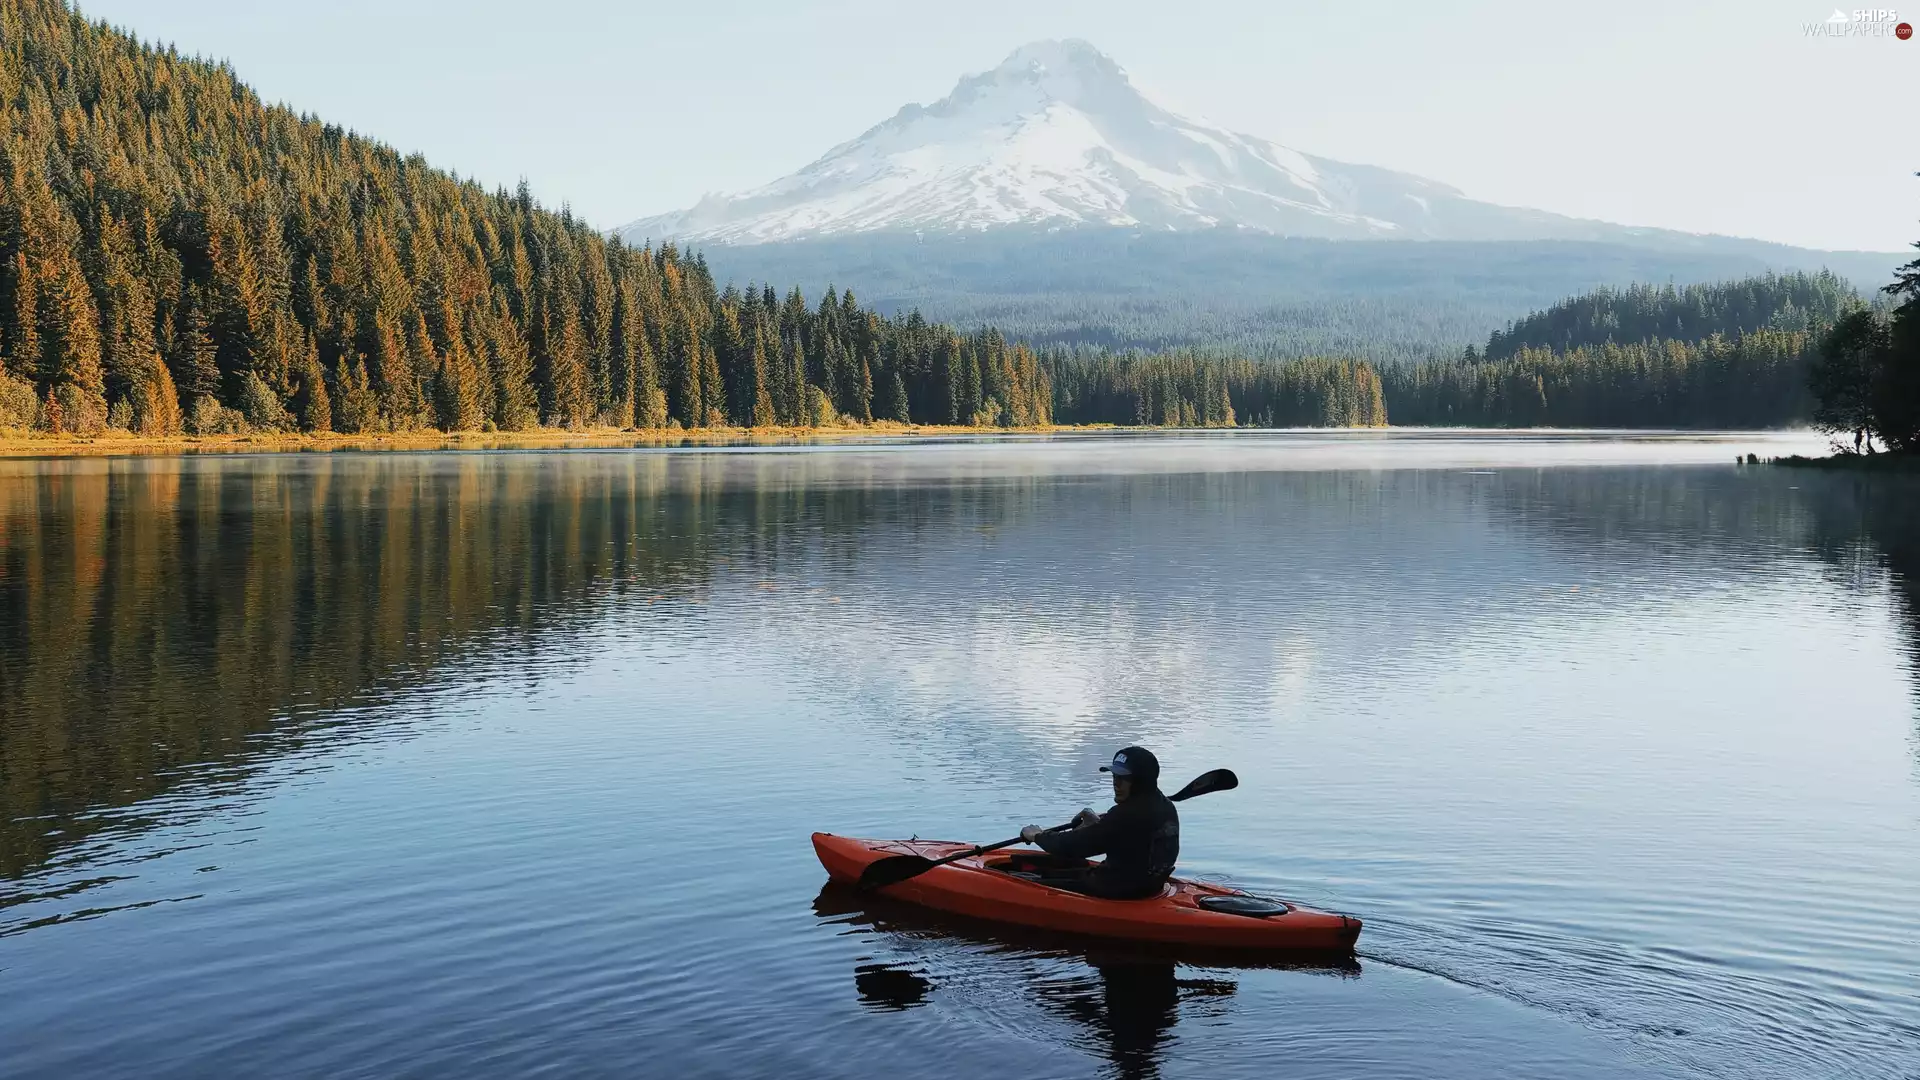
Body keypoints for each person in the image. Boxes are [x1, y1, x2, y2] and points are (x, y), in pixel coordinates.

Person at [1017, 746, 1180, 900]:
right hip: (1149, 886)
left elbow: (1072, 846)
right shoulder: (1165, 807)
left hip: (1119, 892)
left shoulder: (1125, 815)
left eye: (1124, 778)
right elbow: (1129, 836)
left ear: (1140, 781)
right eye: (1115, 776)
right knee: (1066, 868)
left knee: (1025, 881)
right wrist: (1098, 824)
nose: (1116, 783)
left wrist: (1038, 836)